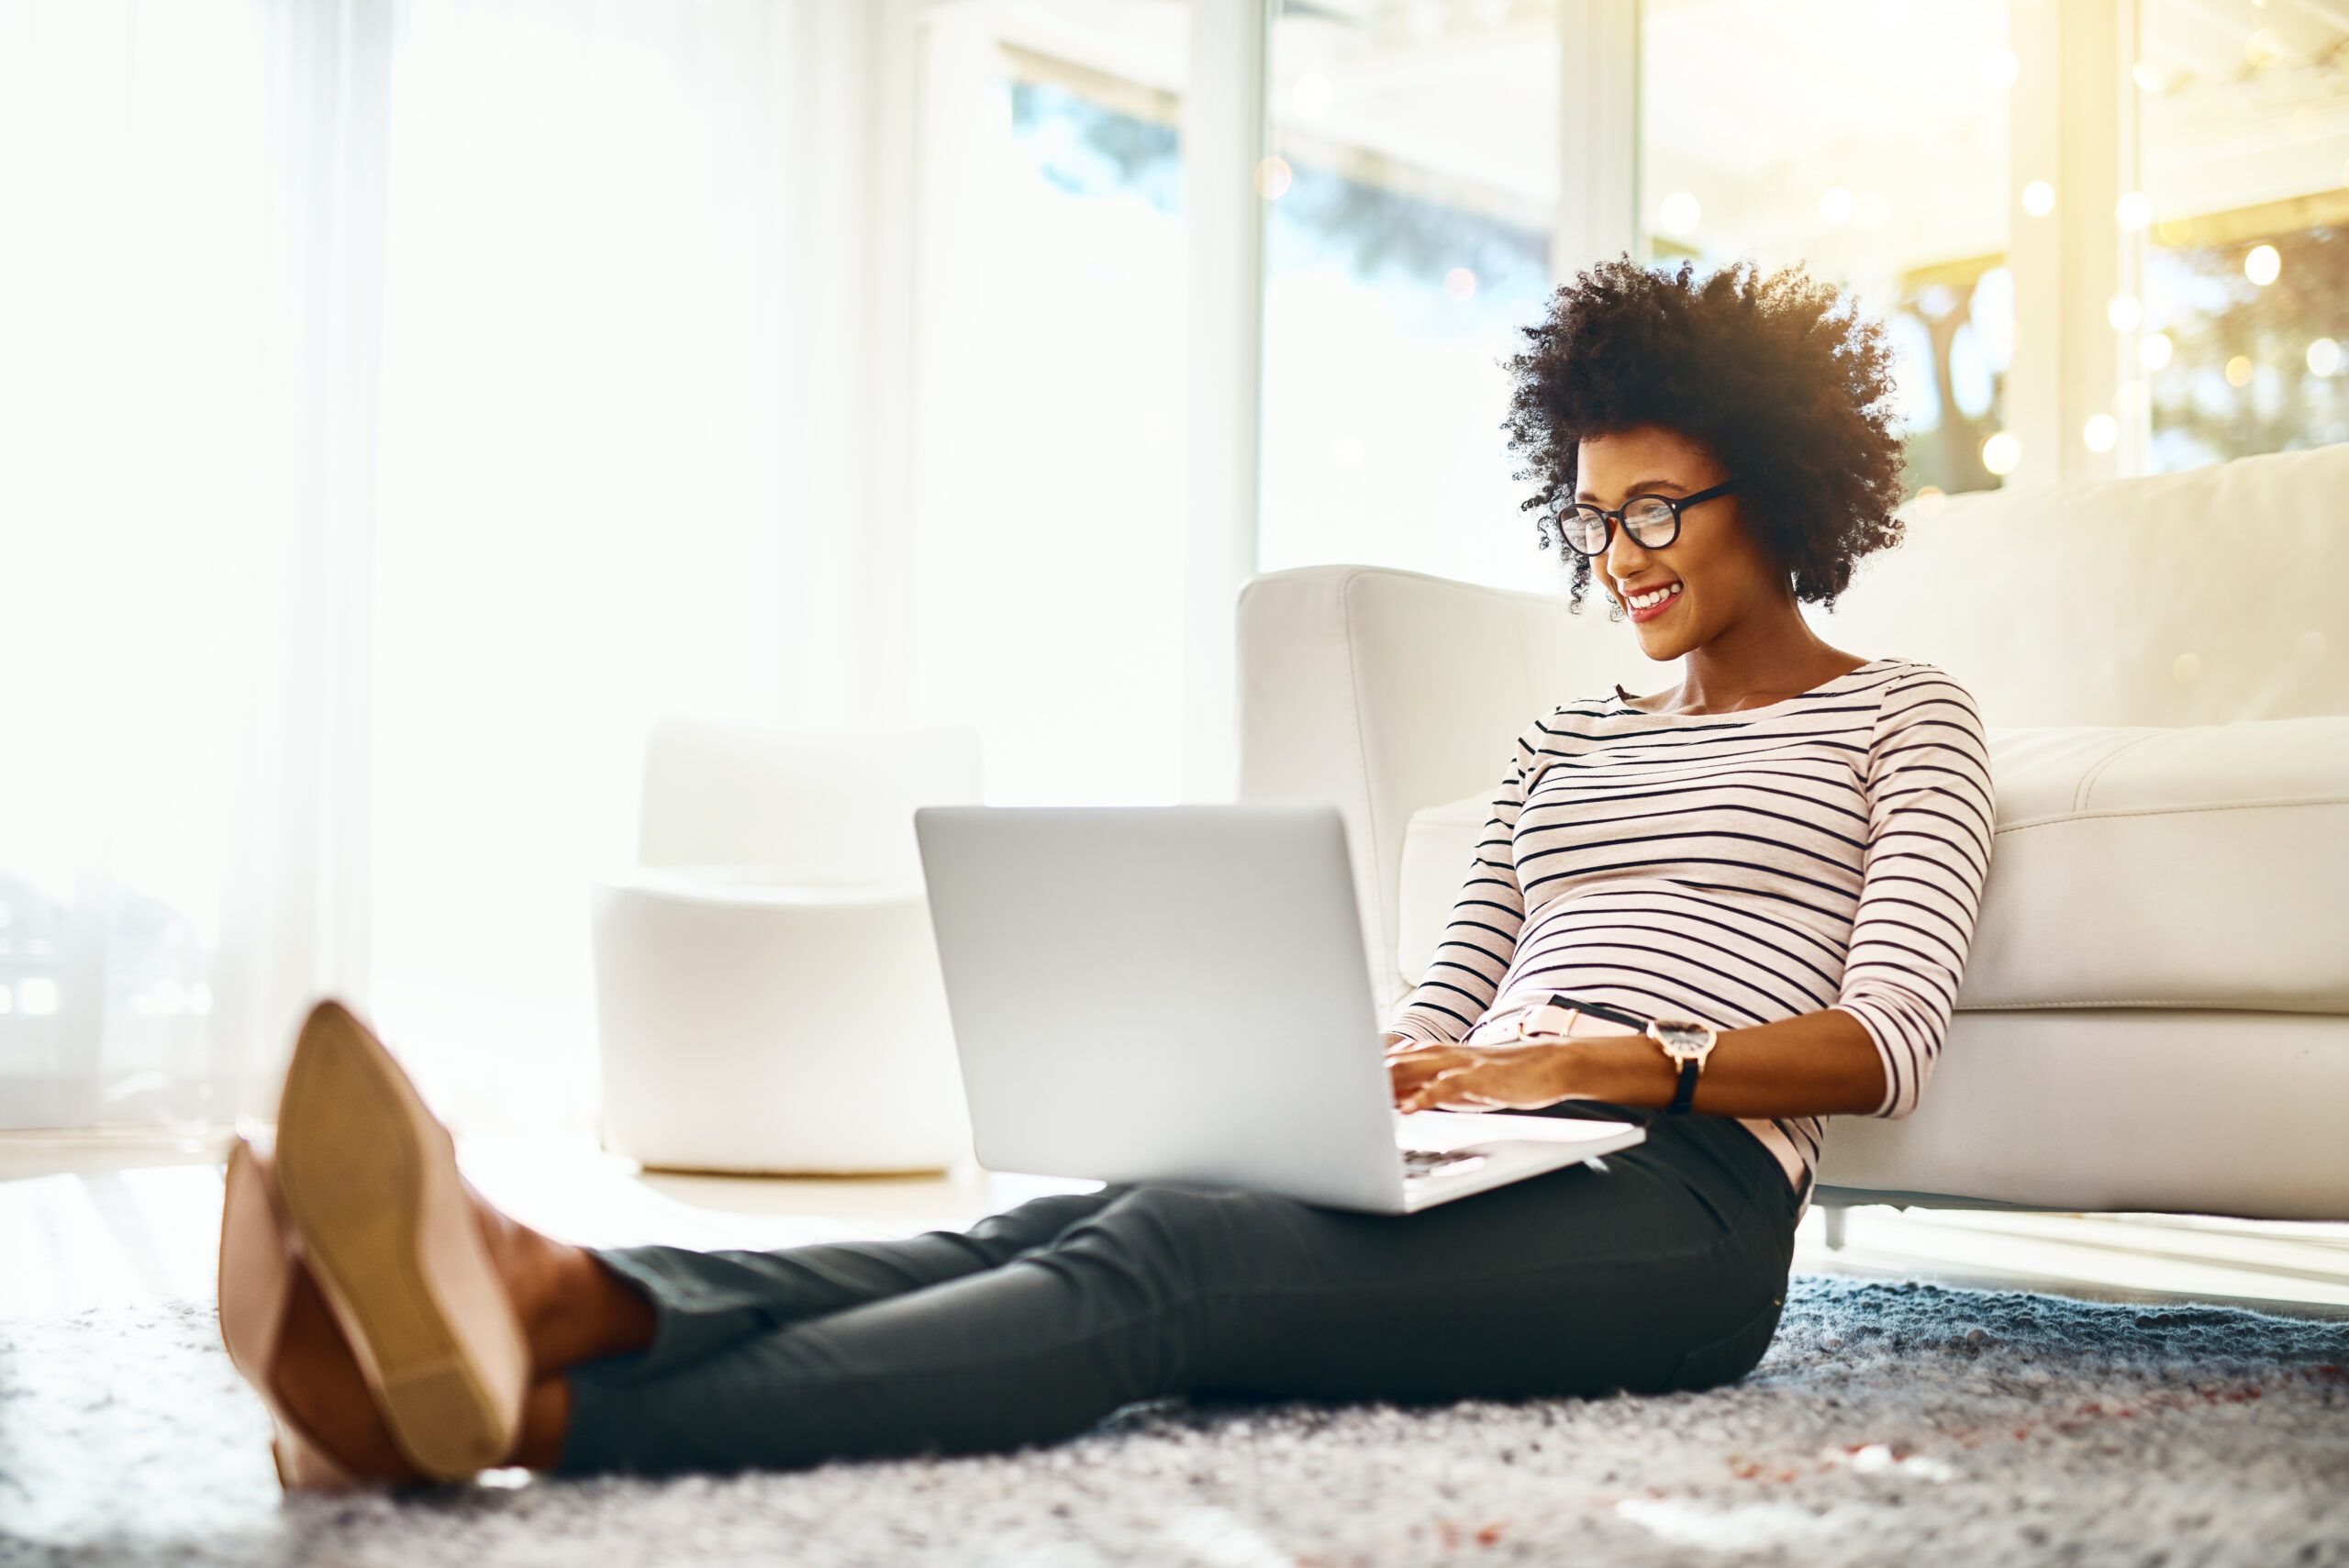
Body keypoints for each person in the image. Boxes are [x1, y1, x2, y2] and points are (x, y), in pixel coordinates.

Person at [215, 252, 1995, 1488]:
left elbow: (1886, 1038)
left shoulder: (1902, 720)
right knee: (1079, 1217)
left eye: (1657, 509)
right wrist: (1338, 1080)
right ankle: (555, 1293)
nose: (1619, 555)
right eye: (1592, 517)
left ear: (1770, 489)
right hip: (1482, 1145)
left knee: (1173, 1276)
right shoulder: (1558, 745)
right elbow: (1440, 1005)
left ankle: (530, 1419)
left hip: (1678, 1214)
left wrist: (1618, 1066)